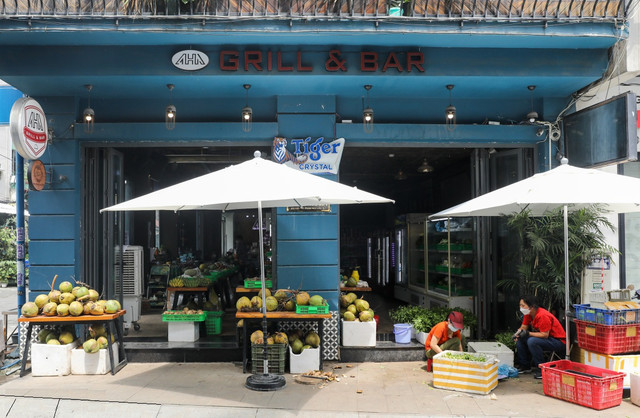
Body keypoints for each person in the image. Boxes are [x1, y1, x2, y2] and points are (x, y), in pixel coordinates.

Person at [513, 295, 566, 379]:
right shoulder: (528, 313)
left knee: (532, 341)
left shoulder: (542, 315)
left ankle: (541, 369)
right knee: (521, 339)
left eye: (523, 305)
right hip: (547, 339)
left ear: (531, 307)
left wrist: (528, 333)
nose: (521, 308)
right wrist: (517, 334)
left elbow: (545, 335)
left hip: (558, 341)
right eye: (520, 305)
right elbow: (523, 327)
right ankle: (525, 366)